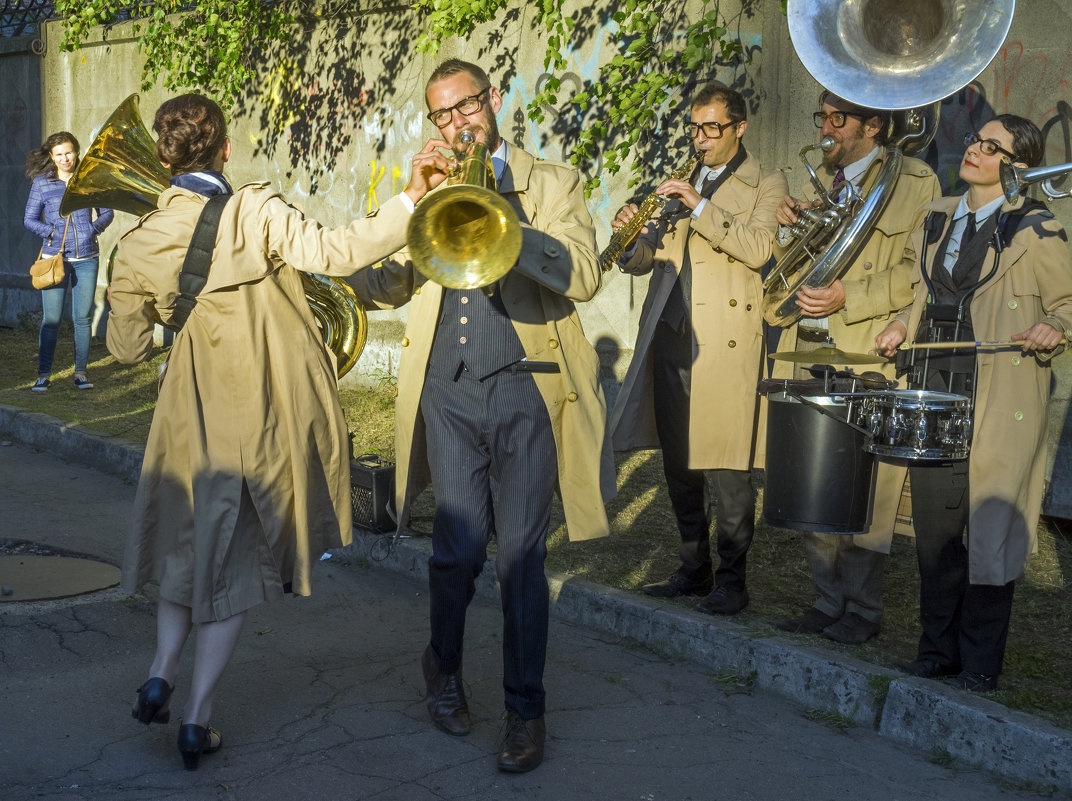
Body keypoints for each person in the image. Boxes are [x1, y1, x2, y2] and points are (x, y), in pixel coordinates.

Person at [107, 93, 448, 770]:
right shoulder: (253, 207)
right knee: (236, 563)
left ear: (163, 154)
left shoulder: (137, 240)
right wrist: (410, 200)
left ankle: (159, 671)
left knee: (185, 541)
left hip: (188, 407)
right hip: (258, 406)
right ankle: (195, 717)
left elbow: (125, 348)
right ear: (226, 148)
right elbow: (337, 250)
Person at [347, 59, 613, 774]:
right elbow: (378, 286)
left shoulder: (552, 182)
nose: (456, 123)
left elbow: (584, 274)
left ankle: (526, 710)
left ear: (492, 101)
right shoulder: (428, 187)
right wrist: (408, 204)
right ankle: (442, 666)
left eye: (465, 107)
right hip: (448, 388)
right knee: (456, 551)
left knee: (521, 556)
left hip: (527, 387)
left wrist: (509, 223)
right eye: (441, 114)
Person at [875, 114, 1072, 691]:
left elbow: (1069, 302)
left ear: (1018, 166)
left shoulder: (1038, 229)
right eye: (974, 140)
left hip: (999, 392)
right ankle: (935, 653)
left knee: (988, 533)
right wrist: (896, 325)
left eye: (993, 146)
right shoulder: (936, 218)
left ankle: (980, 664)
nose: (975, 151)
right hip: (934, 388)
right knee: (935, 534)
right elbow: (918, 292)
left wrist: (1053, 326)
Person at [608, 83, 787, 615]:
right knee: (680, 464)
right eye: (695, 127)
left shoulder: (767, 183)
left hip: (724, 344)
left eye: (712, 127)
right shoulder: (679, 182)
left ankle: (733, 579)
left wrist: (701, 204)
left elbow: (759, 250)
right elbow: (646, 262)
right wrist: (630, 239)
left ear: (739, 128)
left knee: (727, 468)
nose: (701, 138)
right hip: (669, 335)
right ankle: (693, 567)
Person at [772, 92, 940, 644]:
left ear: (872, 125)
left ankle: (864, 610)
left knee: (871, 484)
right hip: (810, 344)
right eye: (821, 117)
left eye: (836, 119)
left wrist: (851, 295)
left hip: (869, 347)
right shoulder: (821, 178)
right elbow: (795, 264)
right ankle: (826, 597)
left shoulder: (915, 182)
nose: (825, 129)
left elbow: (918, 275)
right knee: (813, 472)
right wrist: (787, 229)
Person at [23, 132, 114, 391]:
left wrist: (92, 229)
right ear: (52, 157)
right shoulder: (42, 184)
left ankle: (81, 373)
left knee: (82, 318)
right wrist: (49, 231)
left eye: (69, 152)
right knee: (51, 319)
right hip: (55, 259)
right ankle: (43, 374)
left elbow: (107, 213)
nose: (65, 158)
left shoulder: (89, 179)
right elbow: (29, 219)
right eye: (59, 154)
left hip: (87, 258)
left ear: (76, 152)